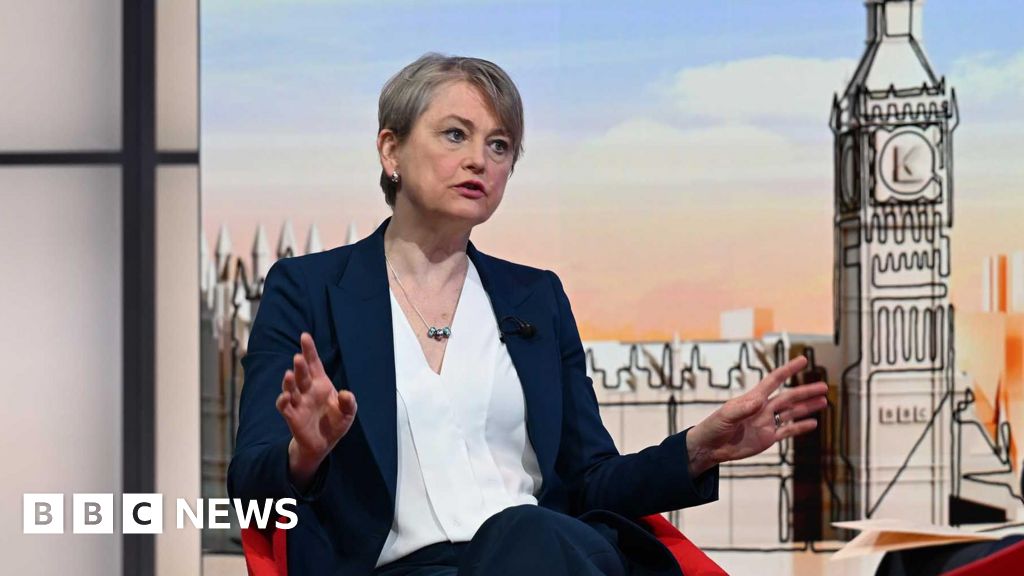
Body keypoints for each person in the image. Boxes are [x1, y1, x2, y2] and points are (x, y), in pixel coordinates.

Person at [227, 52, 829, 576]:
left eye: (499, 146)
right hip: (404, 569)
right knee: (524, 534)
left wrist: (698, 448)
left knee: (526, 533)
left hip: (548, 553)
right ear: (391, 150)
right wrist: (304, 454)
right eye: (455, 135)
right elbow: (250, 483)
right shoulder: (308, 291)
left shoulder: (535, 297)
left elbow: (589, 479)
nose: (480, 161)